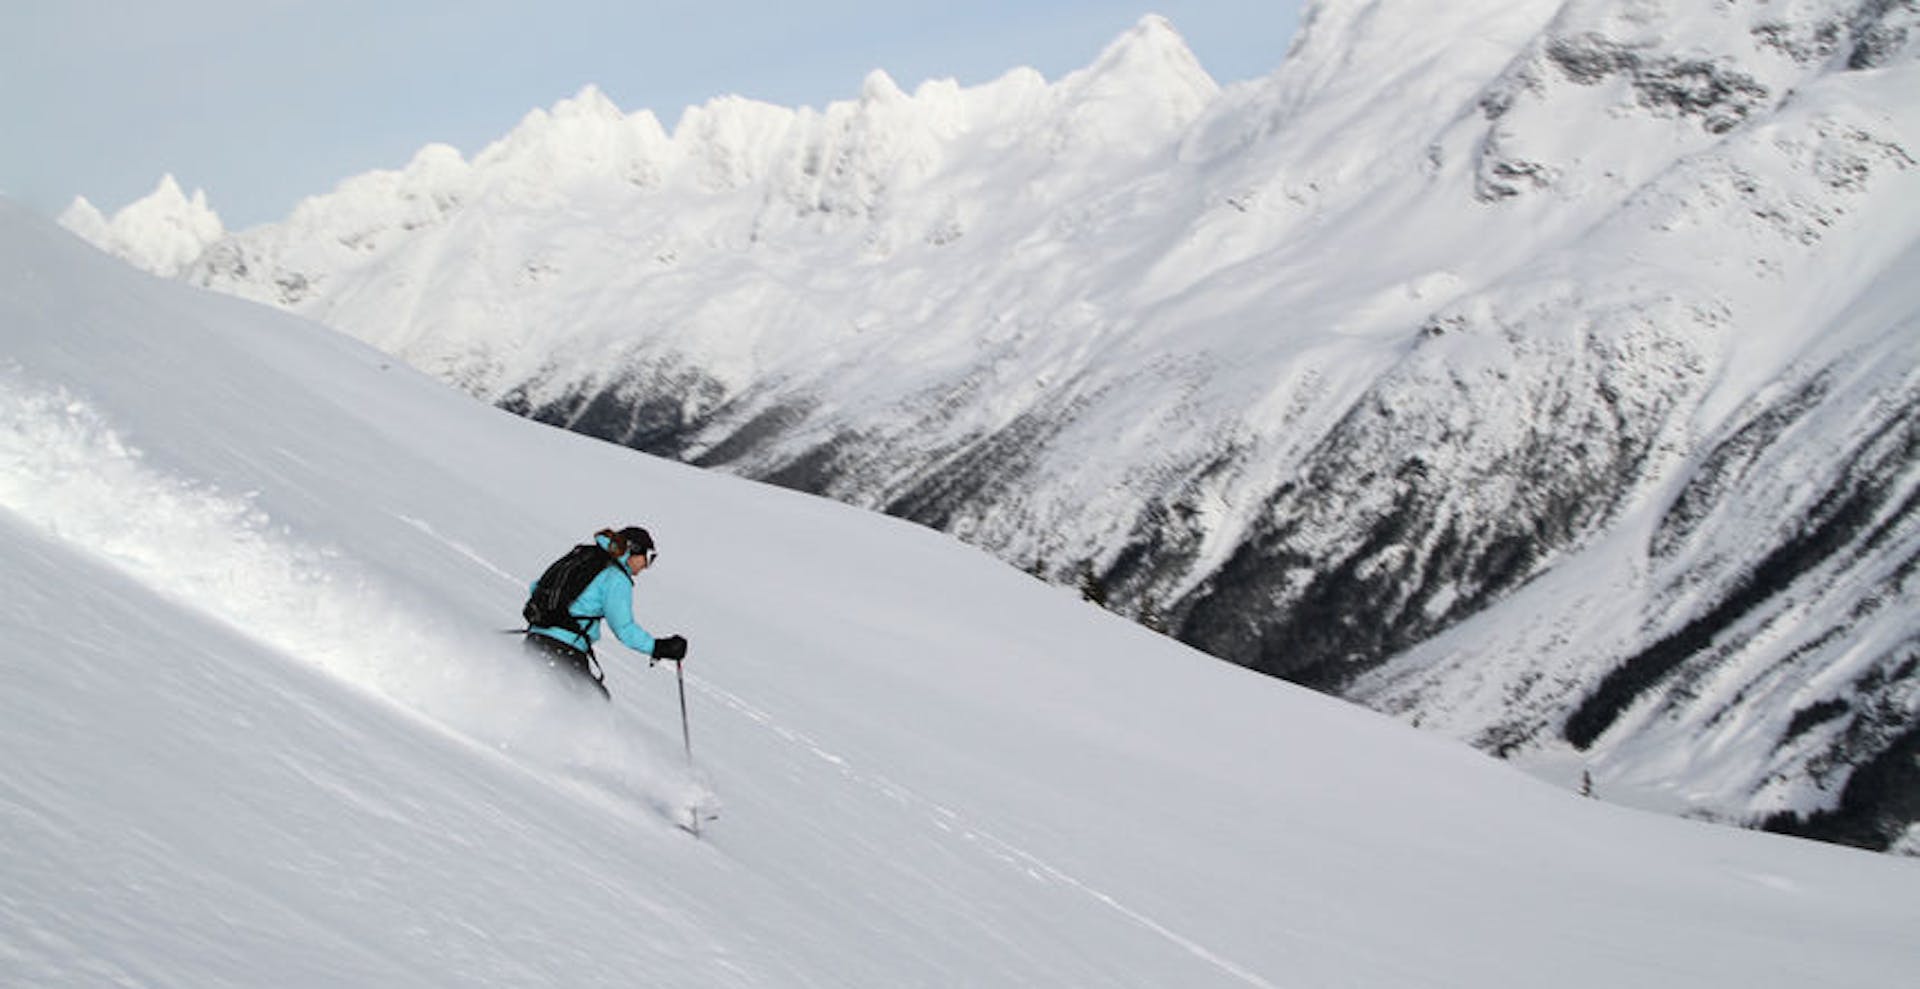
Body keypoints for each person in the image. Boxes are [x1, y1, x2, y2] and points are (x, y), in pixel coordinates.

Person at [524, 526, 688, 695]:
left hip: (536, 638)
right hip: (564, 649)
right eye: (648, 557)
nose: (646, 565)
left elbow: (536, 587)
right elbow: (623, 628)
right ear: (633, 550)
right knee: (591, 704)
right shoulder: (616, 577)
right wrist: (657, 647)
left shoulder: (584, 556)